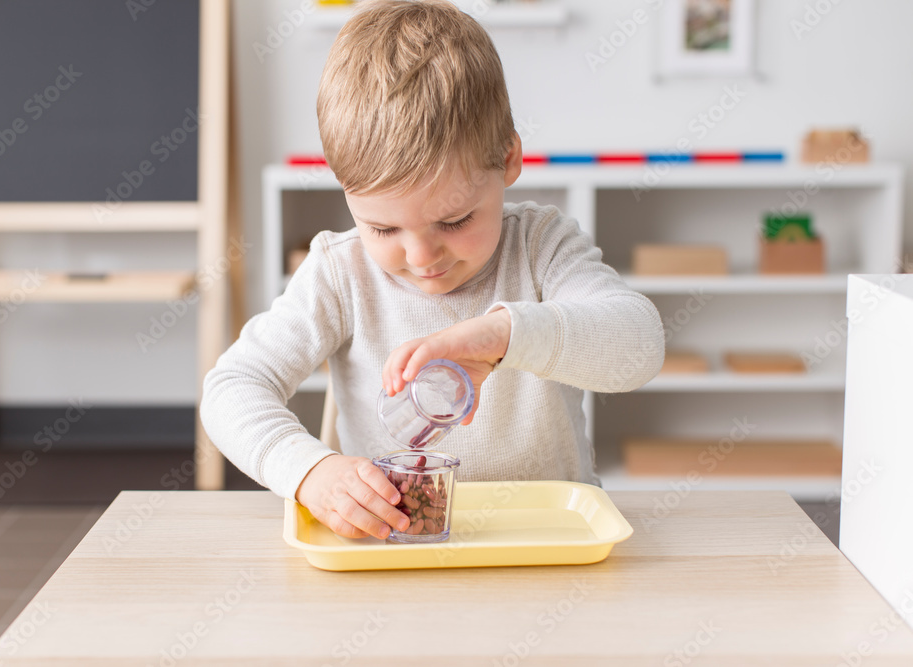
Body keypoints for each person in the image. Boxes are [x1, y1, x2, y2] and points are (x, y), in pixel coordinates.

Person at [201, 0, 664, 541]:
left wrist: (506, 335)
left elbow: (638, 346)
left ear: (510, 159)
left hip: (545, 541)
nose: (421, 258)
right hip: (396, 545)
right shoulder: (339, 271)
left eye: (454, 219)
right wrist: (310, 471)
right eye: (383, 229)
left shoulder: (541, 247)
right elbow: (232, 387)